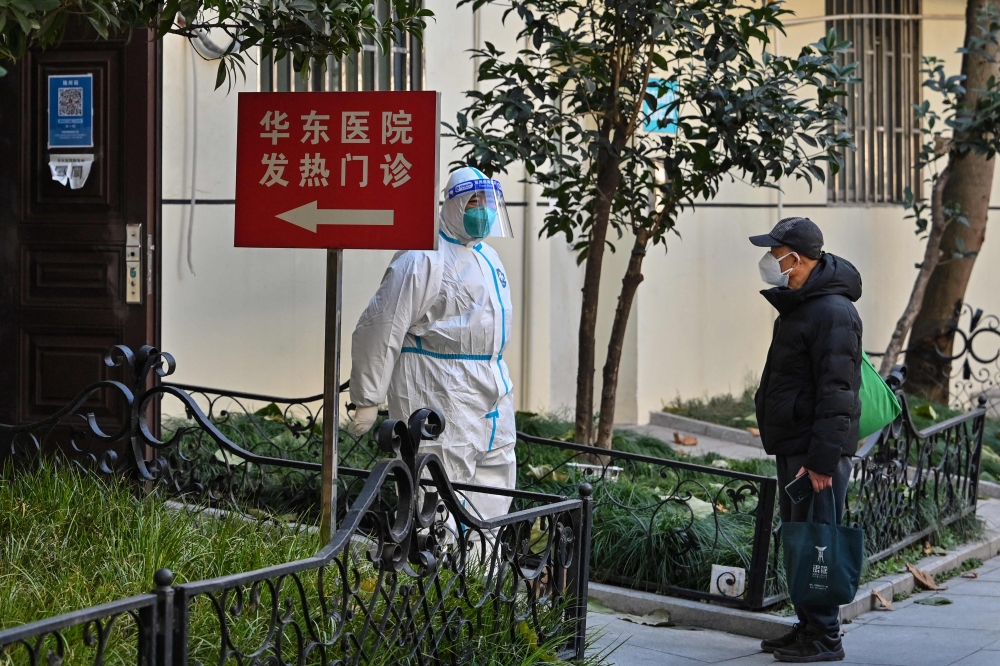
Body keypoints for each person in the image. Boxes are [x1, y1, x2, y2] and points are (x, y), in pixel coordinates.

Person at [348, 166, 516, 526]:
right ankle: (439, 577)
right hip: (439, 387)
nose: (483, 211)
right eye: (474, 202)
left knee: (493, 487)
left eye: (487, 202)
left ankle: (481, 574)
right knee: (438, 490)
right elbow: (380, 326)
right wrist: (368, 397)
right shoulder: (422, 257)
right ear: (453, 205)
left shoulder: (487, 256)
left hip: (492, 390)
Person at [750, 217, 862, 663]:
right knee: (801, 536)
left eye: (775, 252)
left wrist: (820, 460)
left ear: (796, 257)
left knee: (819, 538)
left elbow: (838, 394)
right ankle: (808, 626)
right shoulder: (803, 304)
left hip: (816, 451)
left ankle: (826, 636)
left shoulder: (833, 311)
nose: (770, 260)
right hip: (796, 442)